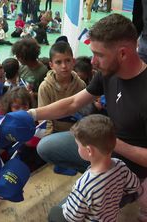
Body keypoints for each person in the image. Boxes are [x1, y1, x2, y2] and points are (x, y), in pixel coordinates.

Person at [28, 13, 147, 179]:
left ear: (122, 54)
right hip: (106, 146)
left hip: (131, 166)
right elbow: (73, 103)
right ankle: (95, 174)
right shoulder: (108, 72)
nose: (93, 62)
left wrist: (113, 143)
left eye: (99, 55)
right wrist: (31, 114)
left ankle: (125, 188)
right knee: (46, 146)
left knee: (72, 204)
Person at [48, 115, 141, 222]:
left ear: (89, 151)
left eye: (78, 145)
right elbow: (134, 186)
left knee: (55, 213)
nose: (77, 148)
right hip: (110, 218)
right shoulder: (120, 166)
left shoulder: (84, 185)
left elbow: (72, 217)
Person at [37, 41, 86, 136]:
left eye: (67, 60)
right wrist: (48, 138)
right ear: (51, 65)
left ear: (73, 61)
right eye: (58, 62)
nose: (64, 66)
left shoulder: (81, 85)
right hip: (54, 133)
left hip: (77, 132)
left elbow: (84, 113)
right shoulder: (45, 87)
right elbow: (44, 118)